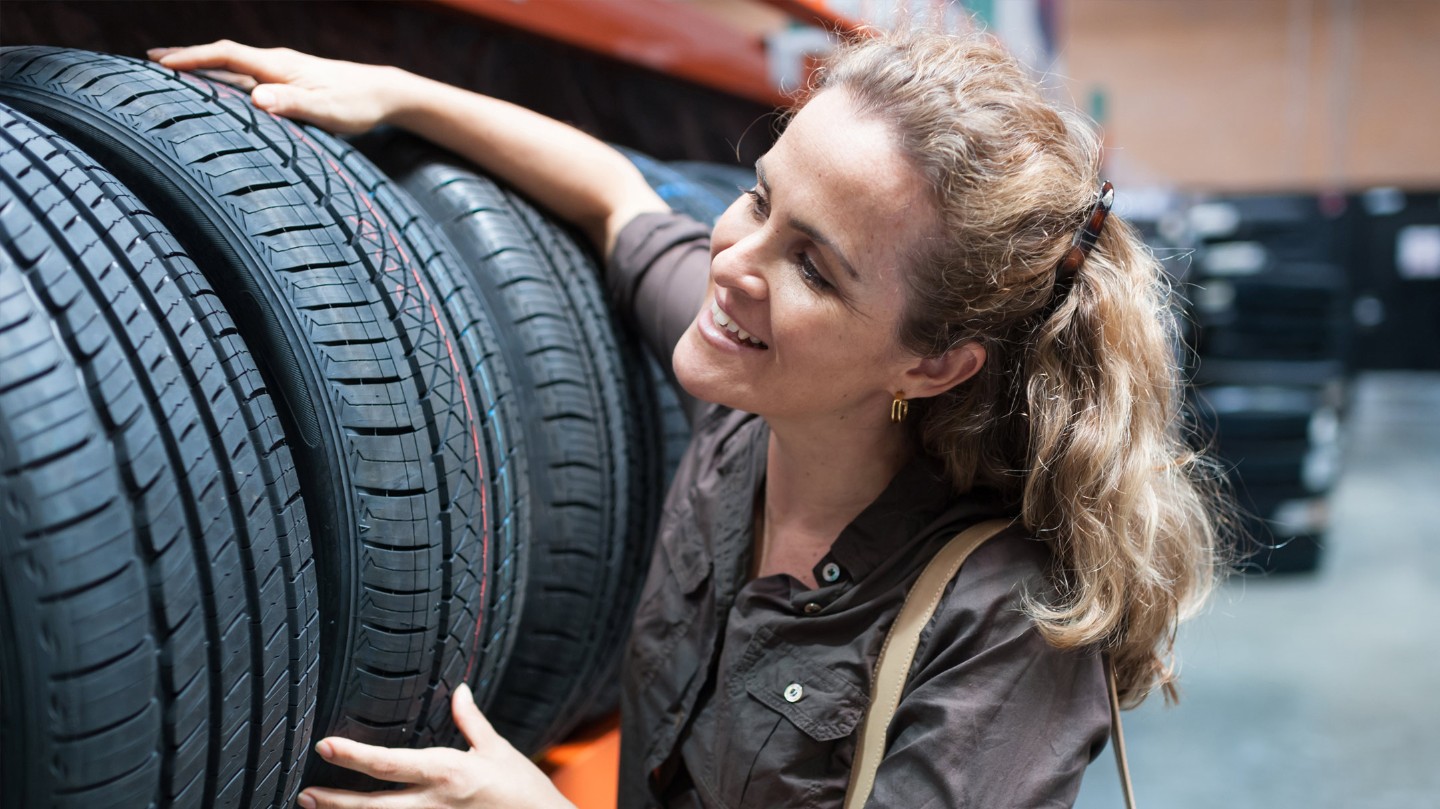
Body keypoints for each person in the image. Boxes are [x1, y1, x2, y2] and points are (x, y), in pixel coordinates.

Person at [152, 25, 1226, 809]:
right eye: (762, 198)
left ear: (935, 359)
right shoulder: (749, 408)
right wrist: (395, 90)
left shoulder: (1005, 624)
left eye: (814, 265)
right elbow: (617, 197)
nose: (732, 260)